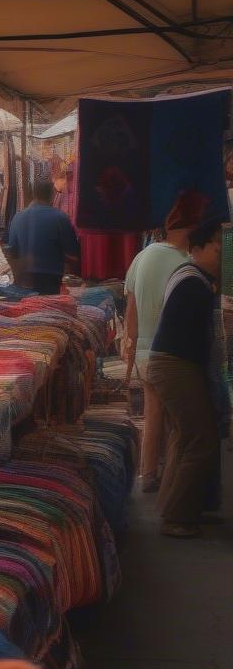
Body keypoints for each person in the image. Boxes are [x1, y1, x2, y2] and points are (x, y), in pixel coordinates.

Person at [124, 190, 210, 492]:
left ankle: (148, 473)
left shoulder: (142, 256)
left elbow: (130, 311)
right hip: (171, 355)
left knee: (153, 413)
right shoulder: (187, 263)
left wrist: (130, 350)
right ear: (189, 231)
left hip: (146, 352)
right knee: (176, 423)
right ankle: (170, 482)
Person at [145, 218, 226, 539]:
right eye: (218, 250)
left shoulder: (194, 278)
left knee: (185, 436)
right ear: (197, 248)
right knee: (199, 439)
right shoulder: (195, 282)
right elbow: (202, 335)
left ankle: (179, 507)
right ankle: (177, 516)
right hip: (176, 366)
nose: (222, 256)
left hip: (173, 365)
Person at [5, 180, 80, 294]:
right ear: (52, 195)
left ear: (34, 195)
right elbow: (73, 255)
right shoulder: (61, 218)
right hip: (50, 280)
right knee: (46, 310)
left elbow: (12, 254)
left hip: (24, 281)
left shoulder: (18, 218)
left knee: (27, 311)